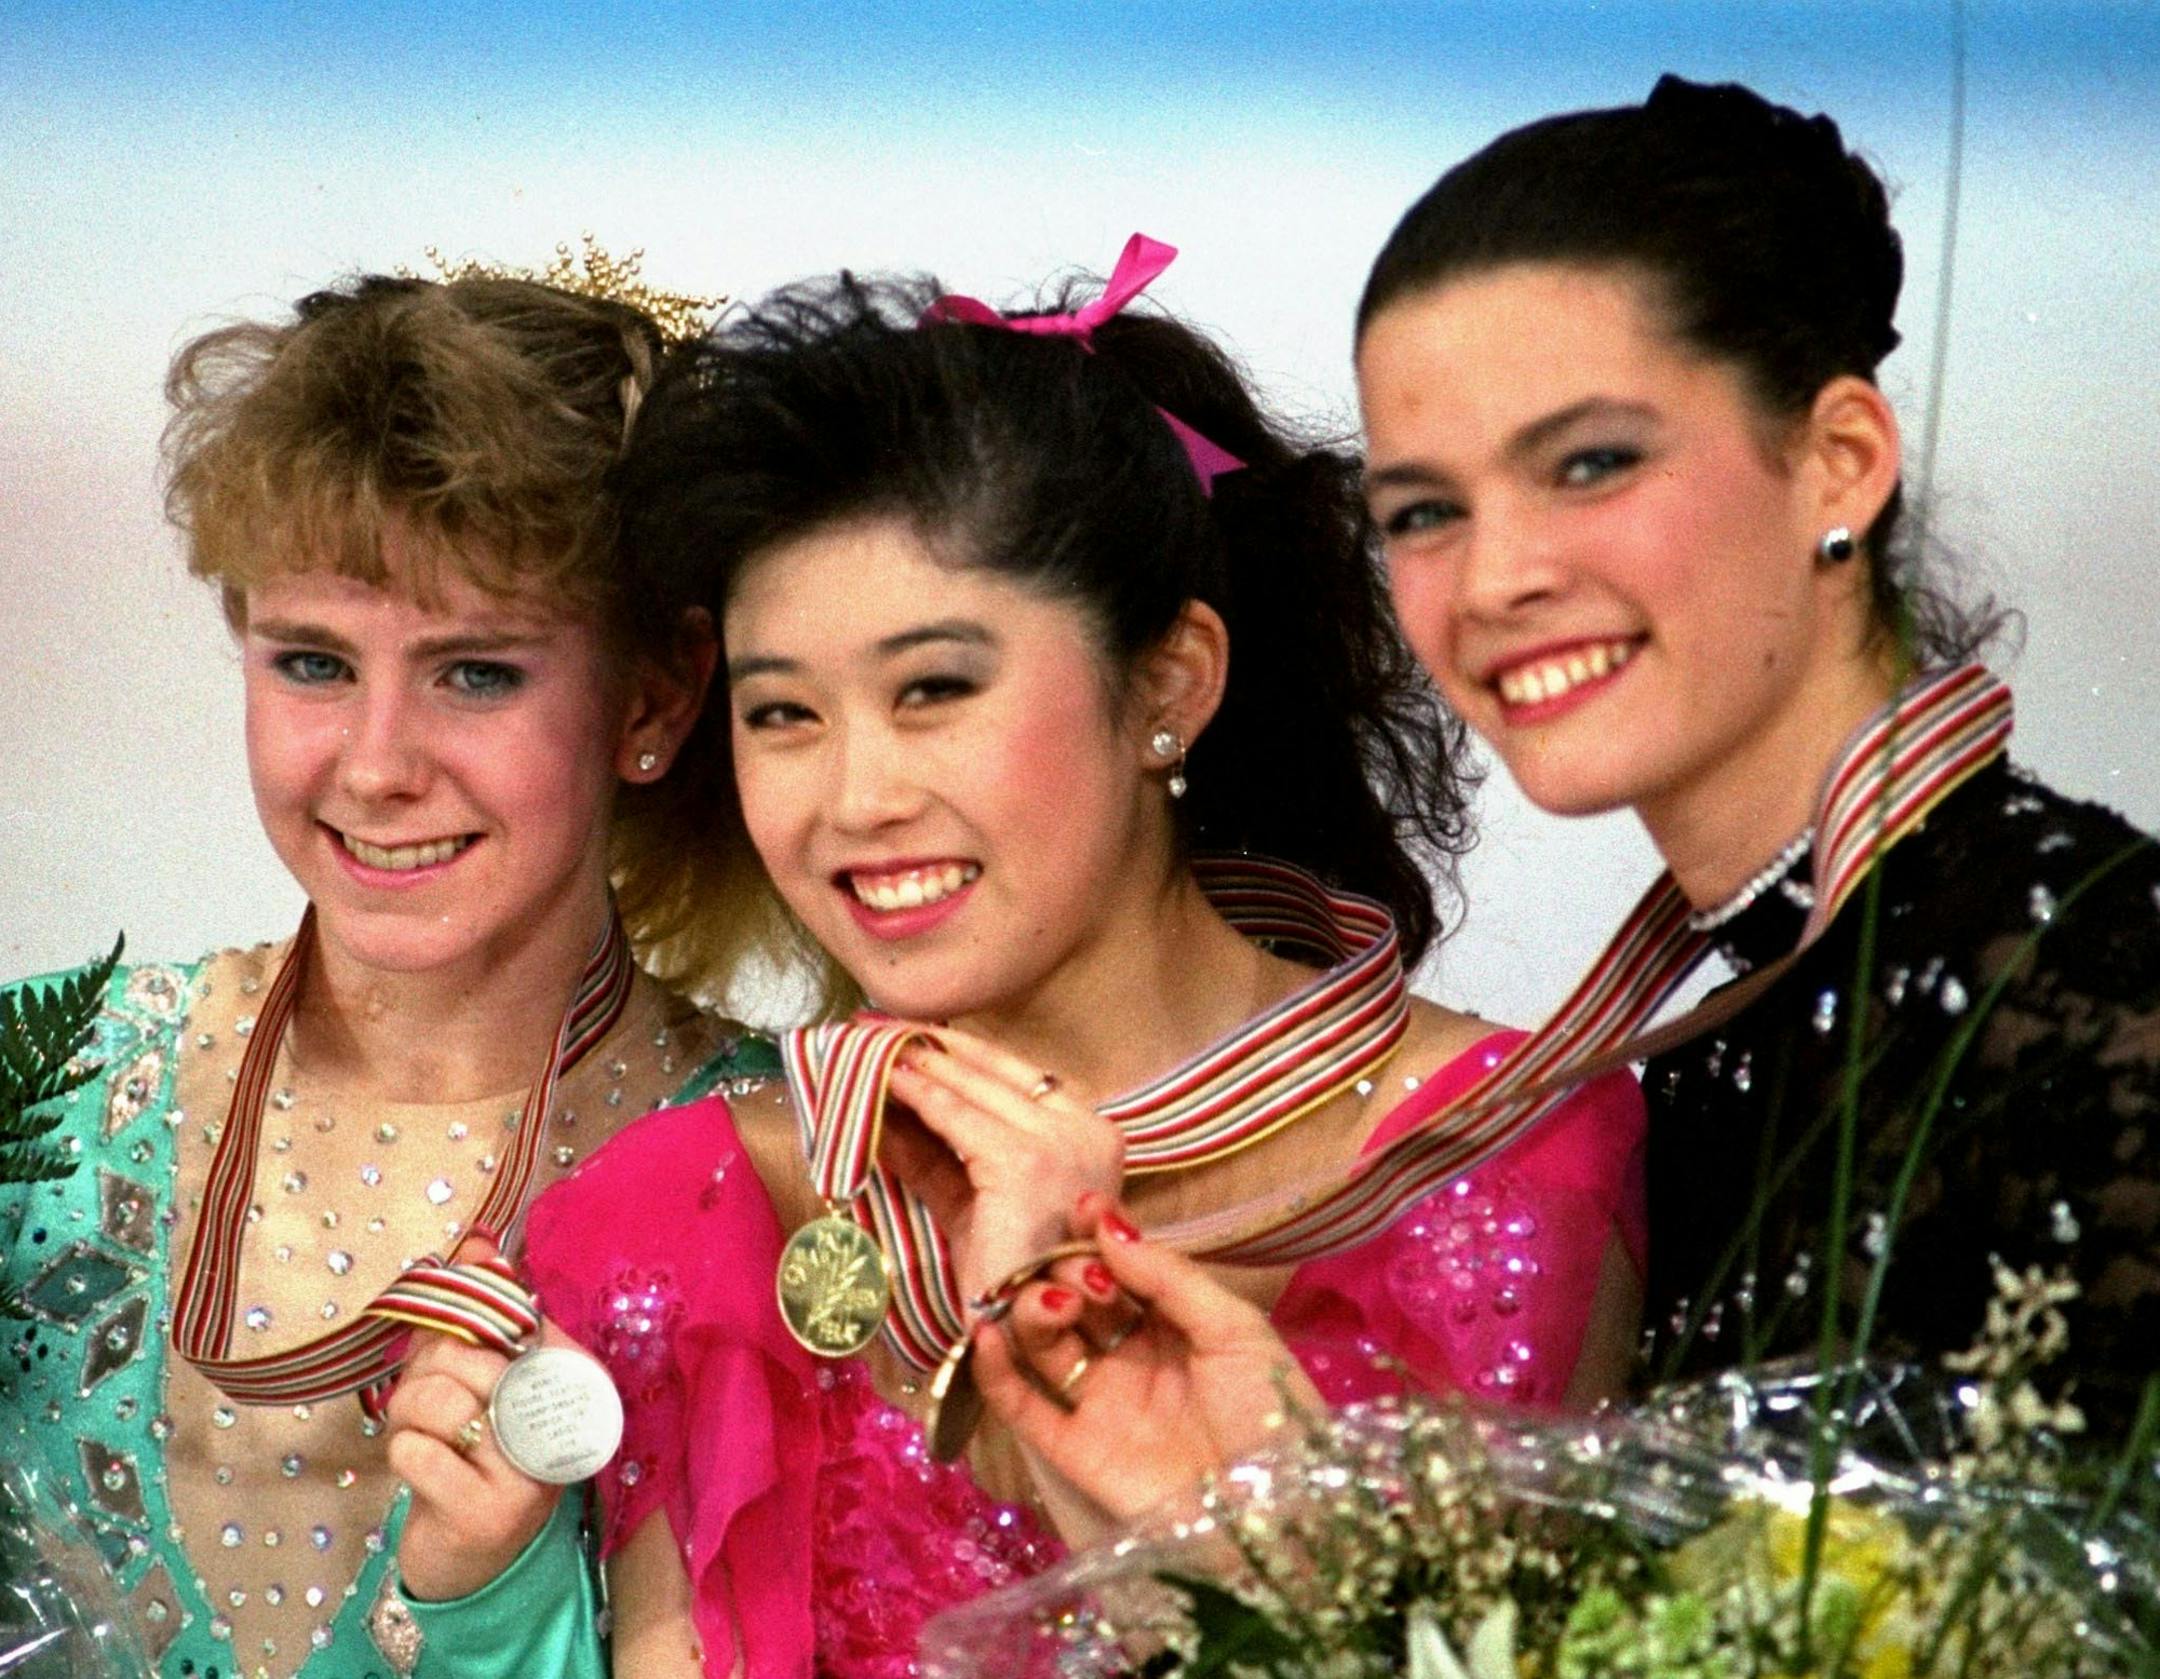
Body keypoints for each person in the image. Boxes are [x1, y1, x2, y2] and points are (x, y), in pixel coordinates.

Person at [407, 238, 1647, 1678]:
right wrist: (479, 1600)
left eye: (935, 688)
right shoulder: (673, 1215)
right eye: (784, 715)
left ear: (1168, 685)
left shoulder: (1489, 1158)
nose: (853, 799)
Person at [982, 76, 2160, 1530]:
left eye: (1589, 464)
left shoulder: (2094, 987)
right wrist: (1267, 1545)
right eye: (1425, 510)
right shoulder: (1727, 1041)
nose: (1495, 578)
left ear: (1840, 464)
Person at [0, 270, 782, 1679]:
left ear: (655, 696)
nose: (374, 763)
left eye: (474, 673)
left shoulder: (781, 1168)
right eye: (311, 662)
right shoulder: (41, 1087)